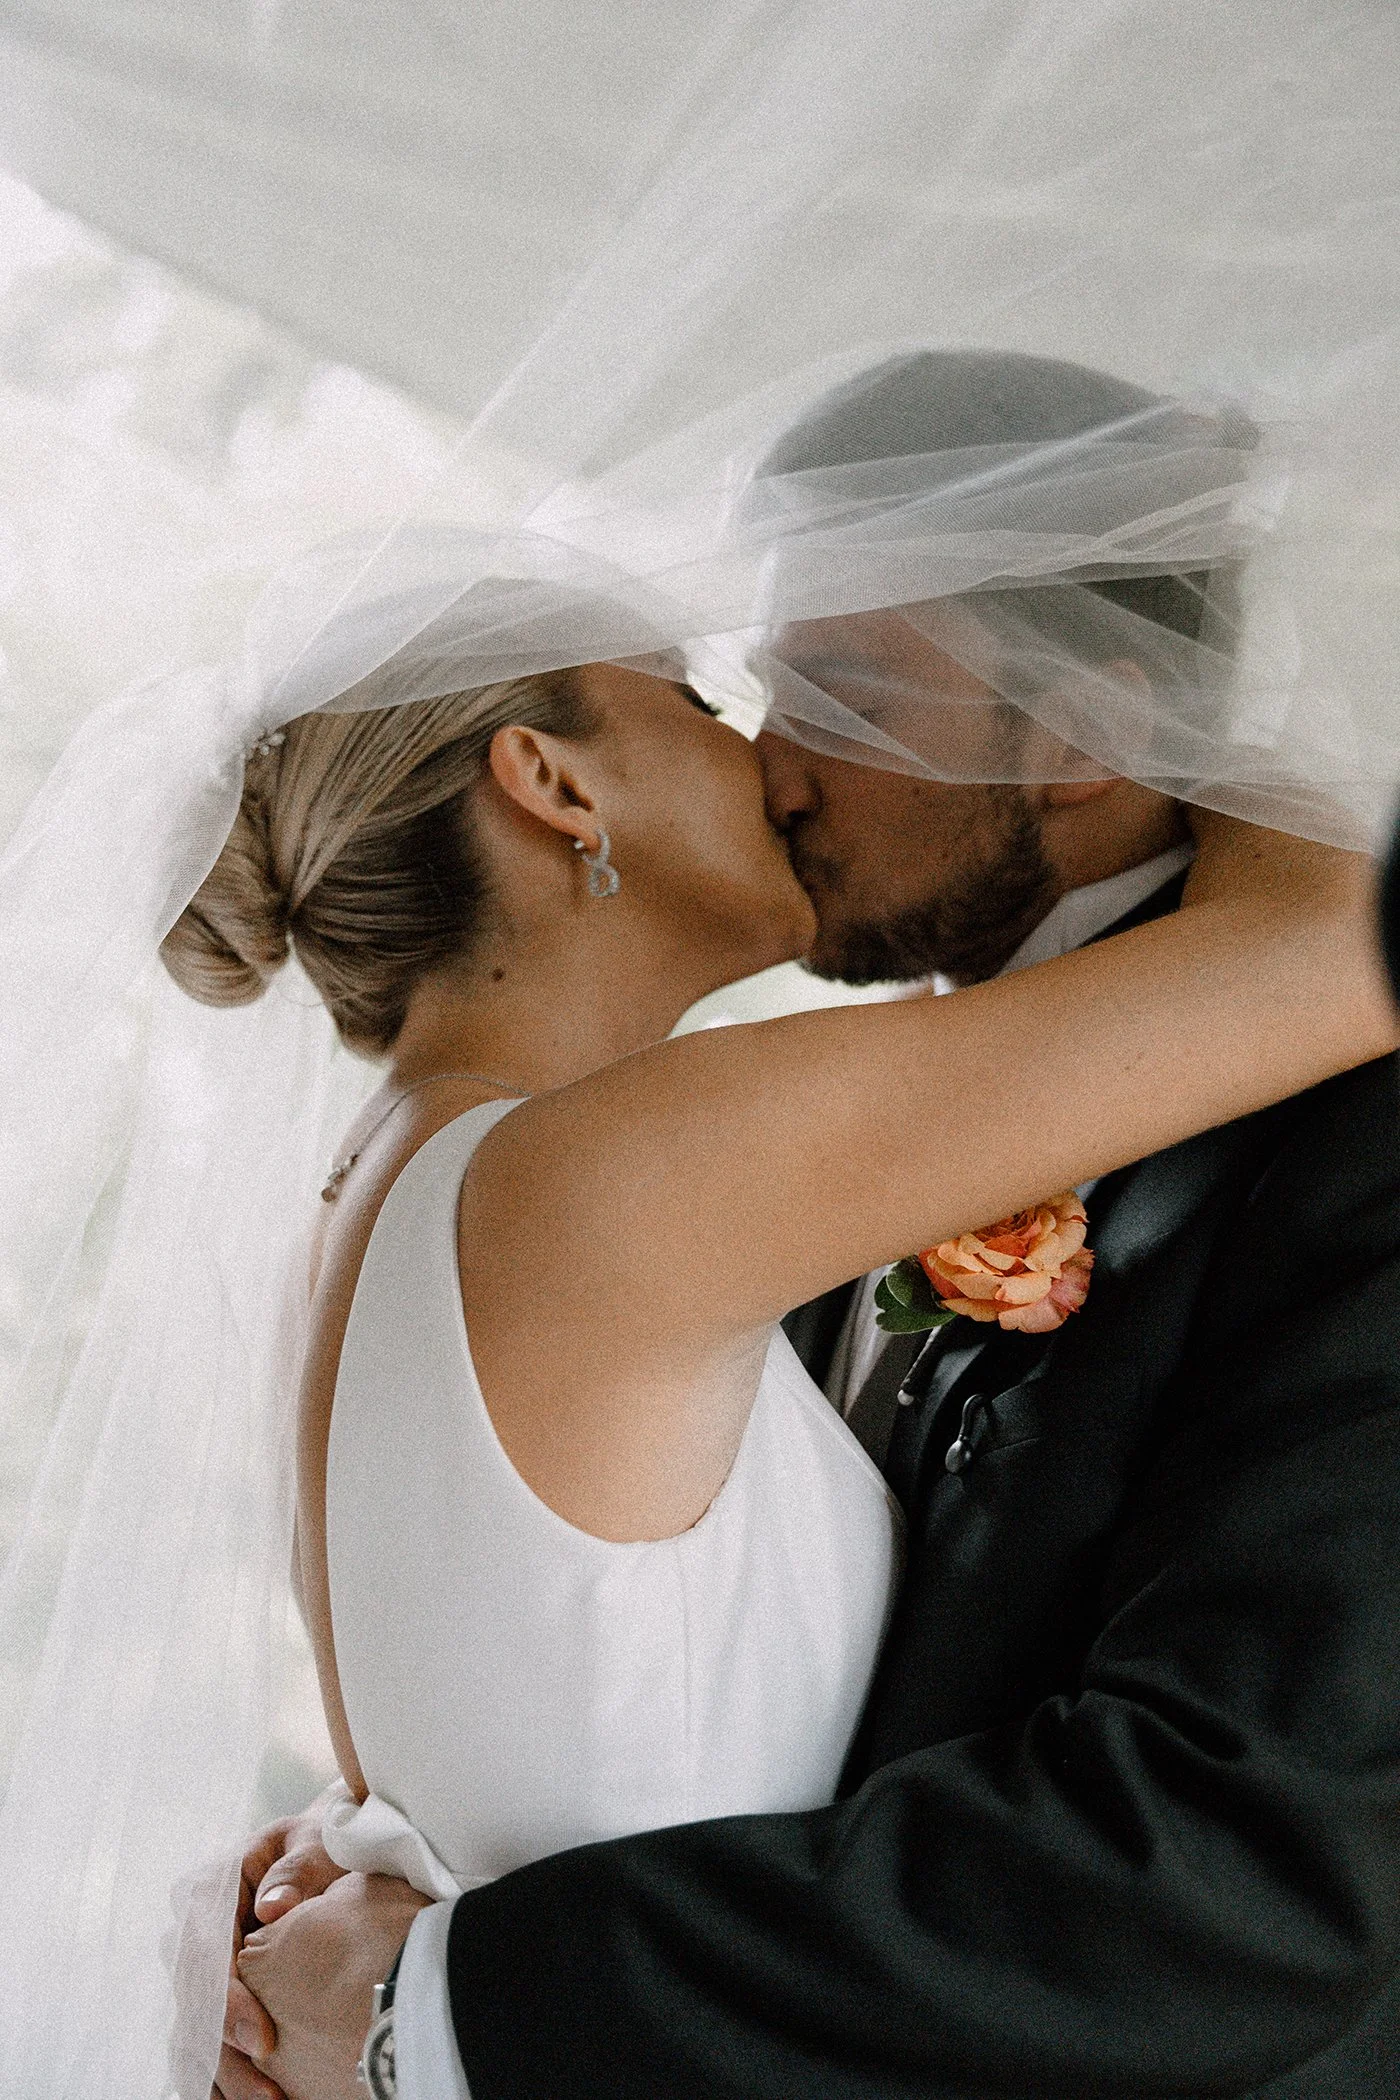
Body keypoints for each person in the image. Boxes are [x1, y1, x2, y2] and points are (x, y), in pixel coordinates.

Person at [216, 354, 1400, 2100]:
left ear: (1084, 730)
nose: (773, 765)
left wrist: (438, 1992)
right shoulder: (760, 1149)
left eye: (838, 692)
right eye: (738, 696)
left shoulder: (1343, 1147)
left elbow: (1244, 1862)